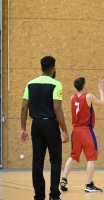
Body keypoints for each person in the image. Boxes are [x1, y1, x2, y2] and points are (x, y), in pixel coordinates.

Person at [20, 56, 69, 200]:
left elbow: (24, 107)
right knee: (55, 160)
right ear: (54, 68)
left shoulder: (30, 84)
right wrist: (64, 130)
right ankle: (54, 195)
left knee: (37, 161)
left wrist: (23, 128)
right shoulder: (56, 84)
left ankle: (39, 195)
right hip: (51, 125)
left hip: (36, 125)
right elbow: (57, 109)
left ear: (41, 68)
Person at [60, 77, 104, 193]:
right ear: (84, 86)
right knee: (91, 157)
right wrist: (101, 90)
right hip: (86, 130)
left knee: (73, 156)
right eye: (86, 83)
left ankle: (64, 179)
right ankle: (88, 185)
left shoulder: (72, 98)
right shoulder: (88, 96)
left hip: (75, 131)